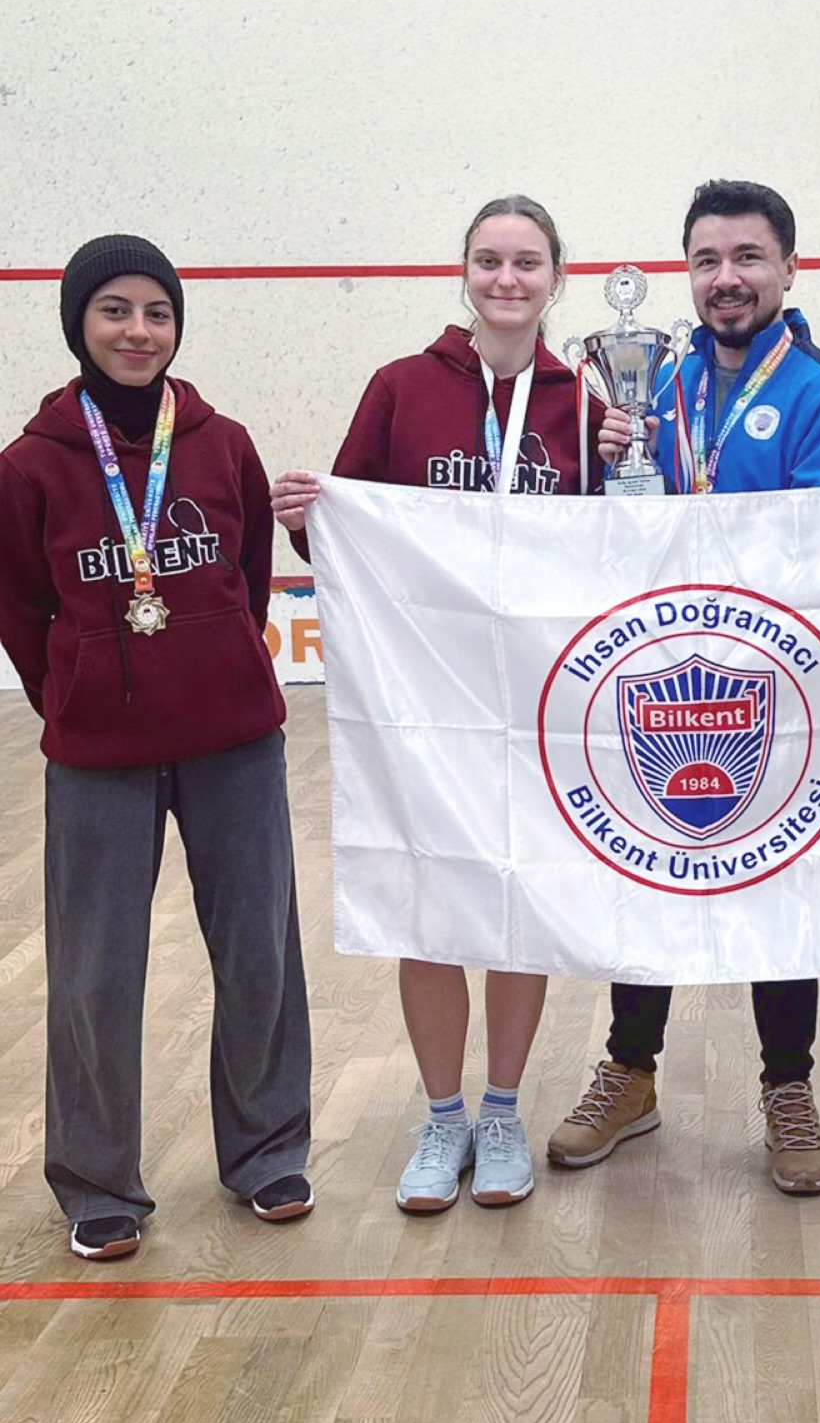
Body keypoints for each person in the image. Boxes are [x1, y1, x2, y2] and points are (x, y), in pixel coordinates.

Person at [272, 195, 601, 1215]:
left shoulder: (587, 402)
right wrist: (303, 513)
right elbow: (341, 536)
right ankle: (445, 1112)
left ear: (556, 276)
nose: (508, 278)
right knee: (430, 905)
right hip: (421, 701)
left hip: (541, 703)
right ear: (465, 271)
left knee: (515, 913)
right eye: (490, 260)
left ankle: (502, 1109)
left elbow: (616, 550)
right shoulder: (400, 387)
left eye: (528, 262)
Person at [547, 178, 820, 1195]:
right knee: (646, 866)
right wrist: (611, 468)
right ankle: (630, 1071)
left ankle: (788, 1087)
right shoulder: (659, 383)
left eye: (745, 258)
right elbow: (614, 539)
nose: (724, 279)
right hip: (656, 679)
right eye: (706, 261)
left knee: (779, 882)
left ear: (787, 268)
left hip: (772, 697)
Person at [0, 234, 313, 1261]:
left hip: (234, 739)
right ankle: (98, 1182)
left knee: (260, 950)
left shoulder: (221, 445)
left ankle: (267, 1153)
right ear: (79, 323)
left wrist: (216, 660)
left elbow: (250, 572)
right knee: (94, 970)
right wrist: (84, 691)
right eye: (116, 311)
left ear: (178, 325)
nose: (139, 331)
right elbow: (20, 607)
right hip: (98, 755)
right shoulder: (31, 464)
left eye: (158, 313)